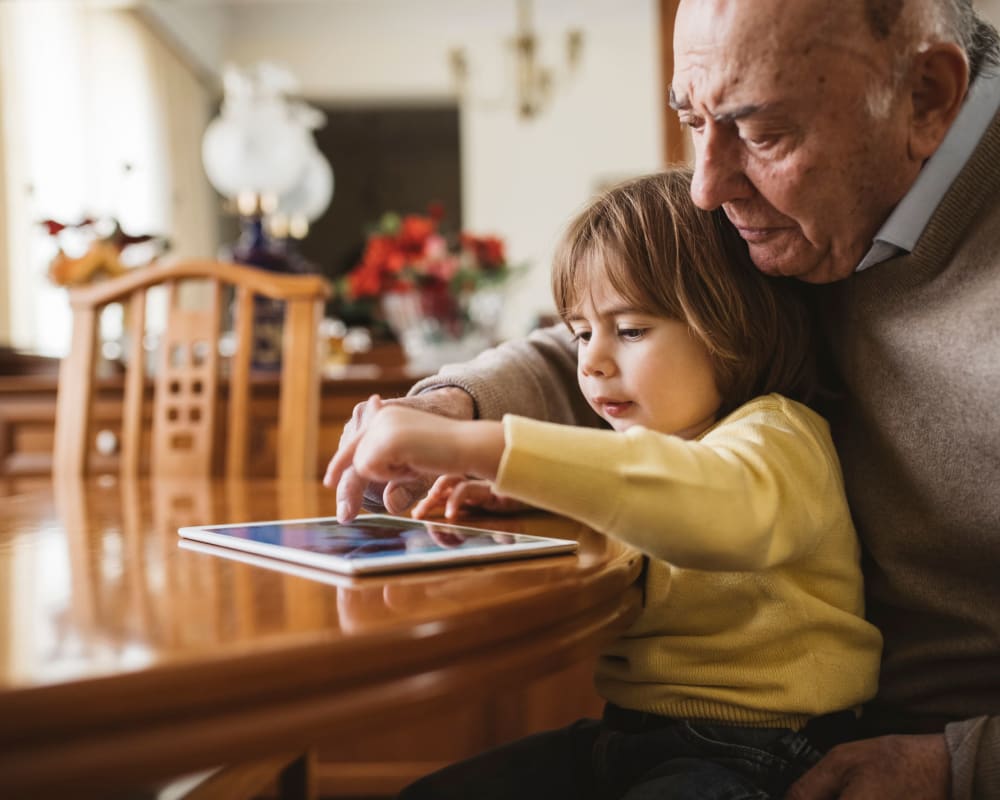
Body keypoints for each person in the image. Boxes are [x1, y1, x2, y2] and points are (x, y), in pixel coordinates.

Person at [327, 1, 1000, 797]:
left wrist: (959, 765)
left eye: (761, 133)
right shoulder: (808, 209)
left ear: (925, 97)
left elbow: (723, 496)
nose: (707, 190)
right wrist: (454, 407)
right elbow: (636, 334)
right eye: (691, 119)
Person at [327, 169, 884, 799]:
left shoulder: (780, 435)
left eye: (632, 330)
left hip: (765, 751)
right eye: (582, 332)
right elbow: (632, 482)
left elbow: (707, 506)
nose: (590, 361)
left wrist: (474, 444)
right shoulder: (642, 446)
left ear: (732, 319)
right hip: (628, 737)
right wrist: (530, 485)